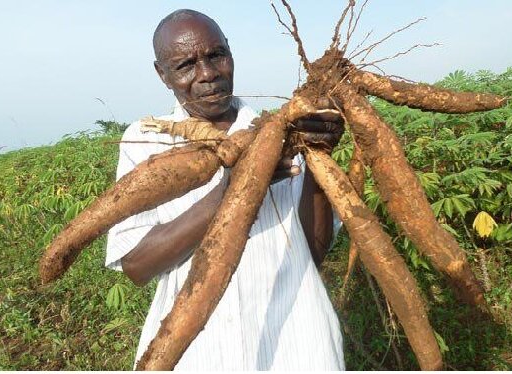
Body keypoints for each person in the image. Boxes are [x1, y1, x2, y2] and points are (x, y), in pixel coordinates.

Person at [105, 9, 345, 370]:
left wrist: (318, 158)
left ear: (230, 53)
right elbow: (137, 265)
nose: (208, 74)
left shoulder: (281, 132)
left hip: (298, 341)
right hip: (200, 352)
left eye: (217, 55)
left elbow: (314, 249)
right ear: (162, 74)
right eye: (186, 64)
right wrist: (230, 192)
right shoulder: (145, 141)